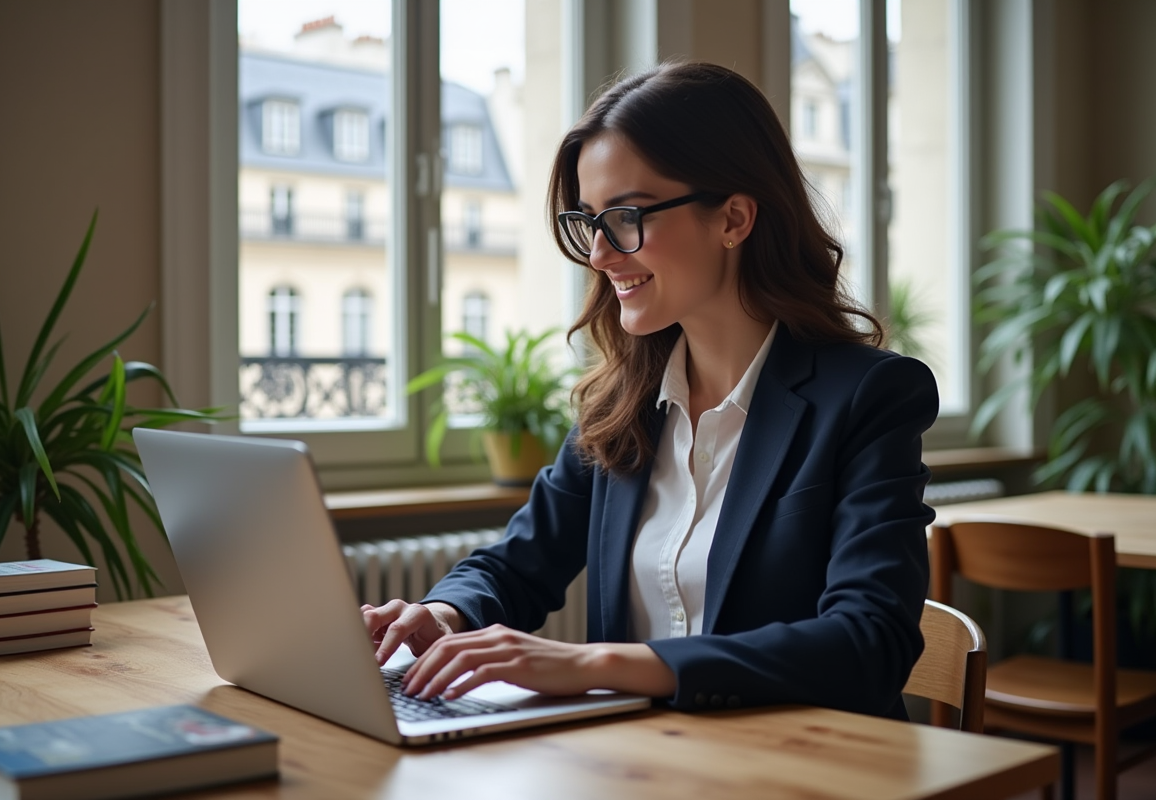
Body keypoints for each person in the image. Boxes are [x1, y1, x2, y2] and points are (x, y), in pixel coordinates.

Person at [362, 61, 938, 720]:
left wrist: (595, 663)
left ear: (735, 218)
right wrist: (442, 614)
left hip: (807, 769)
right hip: (641, 764)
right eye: (589, 222)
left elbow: (870, 642)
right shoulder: (623, 403)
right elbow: (520, 562)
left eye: (627, 217)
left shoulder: (870, 397)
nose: (601, 255)